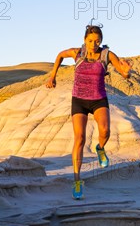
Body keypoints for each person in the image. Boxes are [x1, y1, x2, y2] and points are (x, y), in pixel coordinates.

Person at [45, 21, 132, 199]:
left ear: (101, 41)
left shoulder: (107, 54)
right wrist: (53, 75)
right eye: (91, 40)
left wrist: (128, 71)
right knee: (79, 139)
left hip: (98, 99)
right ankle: (77, 181)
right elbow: (60, 55)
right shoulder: (77, 53)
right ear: (85, 40)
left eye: (97, 40)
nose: (94, 44)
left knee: (105, 131)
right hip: (79, 100)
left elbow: (124, 73)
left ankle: (100, 148)